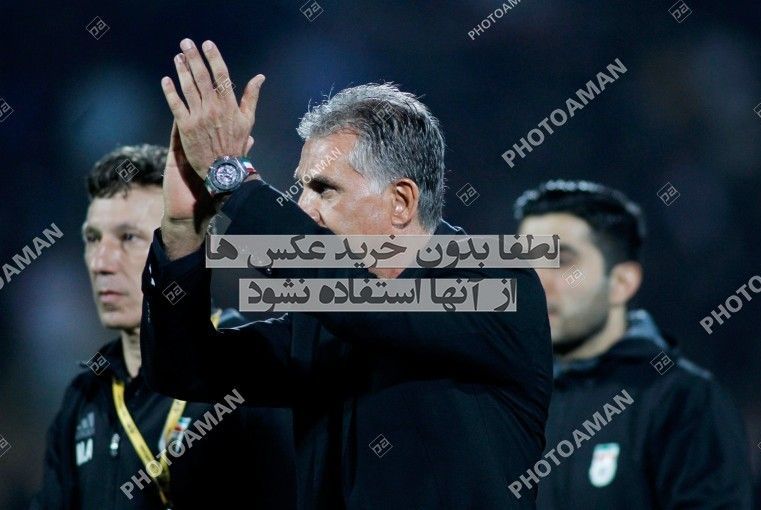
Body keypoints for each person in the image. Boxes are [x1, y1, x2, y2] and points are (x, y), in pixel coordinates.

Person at [140, 38, 553, 509]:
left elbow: (366, 305)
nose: (303, 207)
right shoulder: (320, 324)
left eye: (323, 189)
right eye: (300, 188)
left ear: (401, 202)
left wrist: (234, 179)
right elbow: (184, 369)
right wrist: (183, 228)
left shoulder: (498, 283)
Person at [31, 144, 296, 510]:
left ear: (181, 243)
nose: (101, 262)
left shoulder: (253, 368)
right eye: (93, 239)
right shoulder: (84, 397)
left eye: (128, 237)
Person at [514, 180, 752, 509]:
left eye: (562, 261)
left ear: (621, 283)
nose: (537, 282)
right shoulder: (512, 400)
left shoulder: (682, 400)